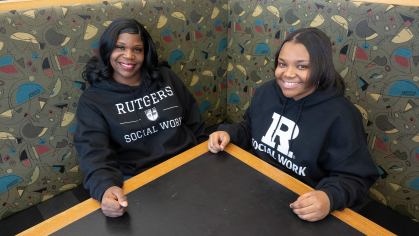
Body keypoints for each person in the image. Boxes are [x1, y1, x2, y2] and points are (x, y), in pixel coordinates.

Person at [208, 28, 379, 222]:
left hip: (301, 206)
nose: (288, 73)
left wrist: (329, 197)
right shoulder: (267, 91)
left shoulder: (342, 116)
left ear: (321, 68)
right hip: (254, 189)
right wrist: (230, 133)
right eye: (282, 64)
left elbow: (356, 178)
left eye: (301, 66)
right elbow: (252, 128)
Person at [74, 18, 208, 217]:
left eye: (137, 49)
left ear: (145, 53)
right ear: (107, 49)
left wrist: (207, 156)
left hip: (187, 164)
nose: (129, 56)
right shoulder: (92, 100)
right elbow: (93, 153)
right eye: (120, 47)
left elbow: (195, 123)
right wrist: (105, 188)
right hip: (138, 178)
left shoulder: (166, 77)